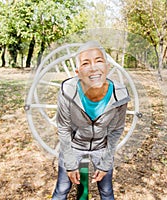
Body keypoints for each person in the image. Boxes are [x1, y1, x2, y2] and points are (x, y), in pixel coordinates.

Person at [52, 41, 130, 200]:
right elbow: (64, 128)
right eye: (86, 63)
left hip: (101, 146)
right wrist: (70, 163)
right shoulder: (68, 91)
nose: (93, 67)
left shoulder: (119, 95)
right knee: (62, 189)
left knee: (107, 191)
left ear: (107, 67)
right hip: (74, 145)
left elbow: (116, 130)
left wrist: (106, 162)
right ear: (77, 72)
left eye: (99, 61)